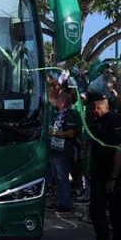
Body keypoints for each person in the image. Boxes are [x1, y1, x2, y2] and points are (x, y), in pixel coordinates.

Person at [83, 90, 121, 240]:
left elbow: (120, 150)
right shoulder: (95, 121)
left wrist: (114, 177)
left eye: (97, 107)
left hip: (114, 175)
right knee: (96, 211)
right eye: (92, 107)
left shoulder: (117, 121)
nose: (94, 110)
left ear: (105, 104)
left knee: (117, 213)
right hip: (98, 173)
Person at [48, 81, 82, 214]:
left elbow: (71, 133)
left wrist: (55, 133)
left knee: (63, 177)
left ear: (63, 102)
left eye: (58, 99)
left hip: (64, 150)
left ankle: (65, 204)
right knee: (57, 178)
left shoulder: (70, 113)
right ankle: (58, 202)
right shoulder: (57, 113)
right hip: (55, 150)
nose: (56, 101)